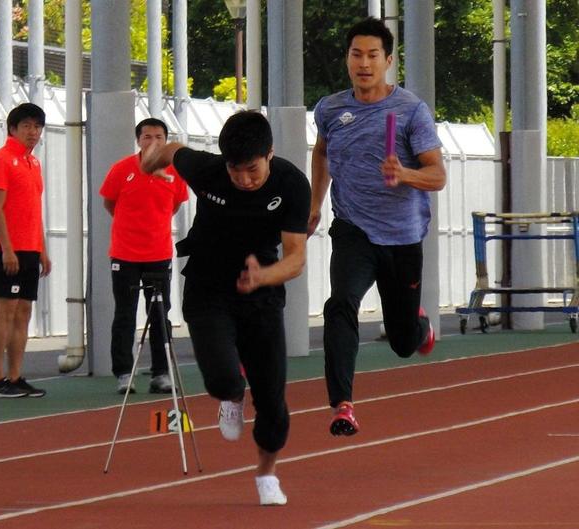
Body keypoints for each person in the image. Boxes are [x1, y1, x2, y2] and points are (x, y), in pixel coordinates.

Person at [142, 111, 310, 506]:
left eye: (252, 170)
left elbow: (297, 258)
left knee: (272, 402)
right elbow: (171, 150)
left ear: (269, 154)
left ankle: (267, 473)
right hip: (208, 287)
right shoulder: (208, 171)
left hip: (262, 292)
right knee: (222, 380)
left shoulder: (291, 185)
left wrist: (262, 276)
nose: (244, 179)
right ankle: (231, 397)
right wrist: (149, 160)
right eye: (236, 171)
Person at [309, 18, 447, 436]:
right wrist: (315, 203)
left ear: (388, 61)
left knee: (403, 343)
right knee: (341, 305)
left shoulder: (410, 111)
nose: (364, 63)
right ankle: (343, 404)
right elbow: (322, 153)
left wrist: (404, 174)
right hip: (352, 229)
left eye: (373, 55)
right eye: (356, 54)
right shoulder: (330, 109)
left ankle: (418, 325)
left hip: (403, 238)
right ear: (347, 59)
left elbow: (437, 175)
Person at [99, 118, 188, 394]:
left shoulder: (175, 171)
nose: (153, 142)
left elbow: (174, 205)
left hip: (158, 253)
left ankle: (161, 373)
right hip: (124, 254)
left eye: (159, 137)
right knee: (125, 313)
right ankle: (124, 372)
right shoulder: (122, 169)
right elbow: (109, 202)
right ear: (138, 140)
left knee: (160, 312)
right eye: (147, 136)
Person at [0, 103, 51, 398]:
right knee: (6, 312)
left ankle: (15, 376)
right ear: (13, 129)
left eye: (37, 127)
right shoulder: (1, 160)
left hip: (29, 249)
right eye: (26, 126)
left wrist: (42, 251)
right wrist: (8, 250)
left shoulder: (32, 163)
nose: (32, 132)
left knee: (23, 312)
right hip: (4, 249)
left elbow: (34, 212)